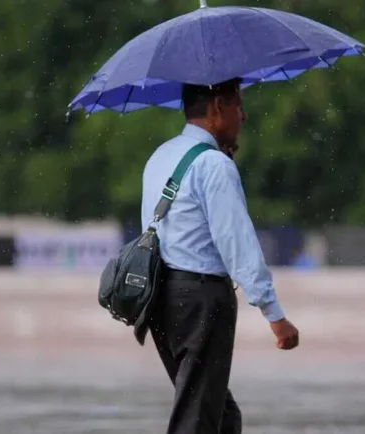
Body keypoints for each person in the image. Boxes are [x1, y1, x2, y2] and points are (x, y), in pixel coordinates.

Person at [141, 78, 300, 434]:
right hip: (200, 300)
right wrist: (274, 314)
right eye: (238, 106)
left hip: (161, 299)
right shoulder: (214, 165)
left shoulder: (161, 156)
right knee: (197, 419)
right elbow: (237, 244)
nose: (243, 116)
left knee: (222, 417)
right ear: (217, 108)